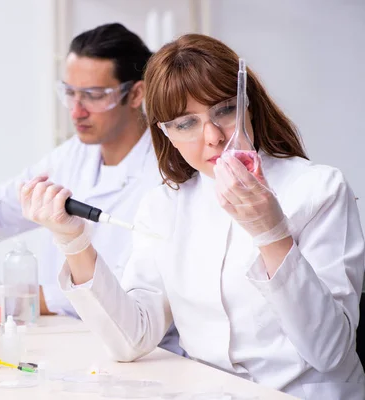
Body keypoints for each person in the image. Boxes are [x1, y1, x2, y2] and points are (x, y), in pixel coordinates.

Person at [19, 33, 365, 399]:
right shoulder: (164, 206)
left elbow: (329, 352)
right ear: (166, 134)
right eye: (186, 124)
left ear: (250, 105)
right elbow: (131, 339)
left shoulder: (319, 189)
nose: (213, 136)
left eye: (225, 110)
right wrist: (72, 240)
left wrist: (272, 233)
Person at [0, 23, 184, 356]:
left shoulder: (167, 173)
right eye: (70, 93)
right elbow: (4, 209)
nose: (77, 111)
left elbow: (129, 291)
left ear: (136, 94)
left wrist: (30, 297)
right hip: (74, 339)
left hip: (151, 355)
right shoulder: (75, 154)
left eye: (93, 96)